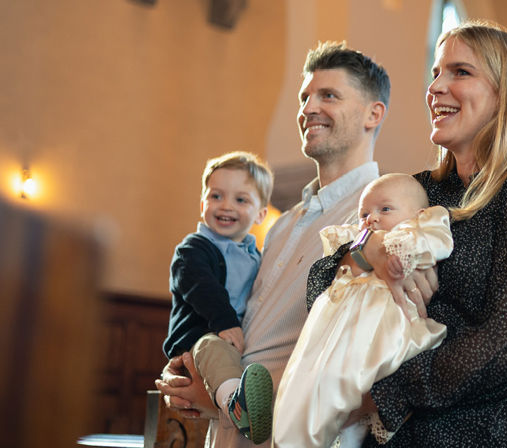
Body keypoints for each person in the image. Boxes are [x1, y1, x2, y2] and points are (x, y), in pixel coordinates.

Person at [305, 21, 507, 447]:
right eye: (436, 72)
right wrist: (368, 252)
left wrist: (385, 392)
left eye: (460, 72)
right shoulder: (421, 189)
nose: (435, 87)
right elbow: (319, 287)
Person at [156, 41, 413, 448]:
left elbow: (361, 358)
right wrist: (198, 370)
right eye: (304, 97)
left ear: (373, 113)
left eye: (329, 95)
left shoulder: (380, 218)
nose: (309, 108)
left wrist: (224, 399)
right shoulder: (280, 224)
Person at [272, 173, 453, 448]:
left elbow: (434, 243)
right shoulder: (357, 239)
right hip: (335, 335)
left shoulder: (414, 231)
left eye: (385, 209)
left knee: (345, 400)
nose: (372, 219)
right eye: (364, 214)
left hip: (381, 329)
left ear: (419, 214)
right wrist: (365, 247)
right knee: (305, 389)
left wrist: (405, 254)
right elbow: (326, 271)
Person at [162, 151, 275, 444]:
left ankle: (241, 395)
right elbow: (202, 287)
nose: (226, 206)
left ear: (260, 214)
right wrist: (225, 322)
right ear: (203, 205)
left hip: (232, 344)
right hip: (198, 340)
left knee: (226, 357)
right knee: (213, 348)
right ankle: (235, 405)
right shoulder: (193, 250)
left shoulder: (256, 256)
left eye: (241, 199)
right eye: (216, 196)